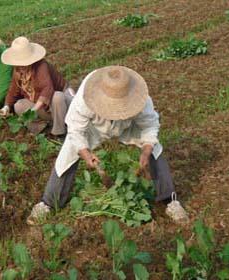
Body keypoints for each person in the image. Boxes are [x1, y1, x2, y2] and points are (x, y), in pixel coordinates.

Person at [26, 65, 190, 226]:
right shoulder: (86, 95)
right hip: (95, 128)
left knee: (156, 149)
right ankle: (48, 203)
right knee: (69, 150)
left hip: (128, 126)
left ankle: (170, 200)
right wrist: (86, 154)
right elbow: (75, 129)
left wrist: (146, 151)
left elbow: (150, 125)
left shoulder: (140, 97)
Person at [0, 37, 75, 136]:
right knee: (19, 105)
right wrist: (6, 107)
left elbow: (47, 88)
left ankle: (59, 132)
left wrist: (34, 109)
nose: (20, 66)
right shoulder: (18, 71)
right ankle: (41, 128)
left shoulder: (41, 66)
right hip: (42, 106)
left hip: (61, 107)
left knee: (57, 97)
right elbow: (13, 90)